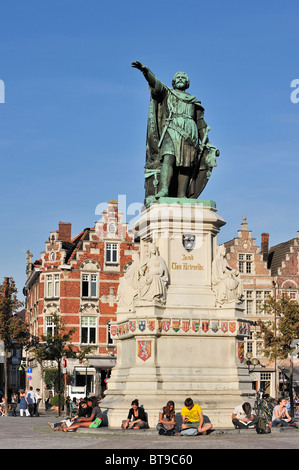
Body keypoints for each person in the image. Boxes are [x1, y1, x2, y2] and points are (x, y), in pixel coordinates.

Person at [132, 61, 218, 204]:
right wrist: (146, 72)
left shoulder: (193, 101)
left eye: (183, 78)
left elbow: (200, 124)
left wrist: (206, 142)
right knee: (168, 157)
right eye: (177, 77)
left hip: (189, 133)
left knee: (186, 163)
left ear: (187, 83)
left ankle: (182, 194)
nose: (180, 79)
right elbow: (156, 83)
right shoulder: (168, 93)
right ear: (172, 82)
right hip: (172, 128)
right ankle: (164, 189)